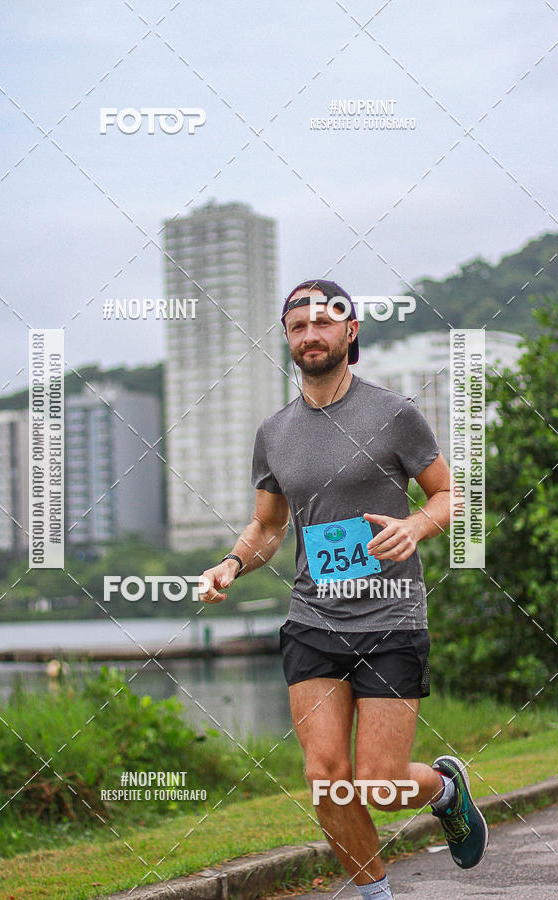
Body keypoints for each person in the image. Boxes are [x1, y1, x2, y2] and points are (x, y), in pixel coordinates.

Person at [199, 279, 487, 898]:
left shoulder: (393, 415)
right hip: (313, 620)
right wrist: (231, 563)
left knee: (380, 783)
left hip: (390, 619)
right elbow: (268, 526)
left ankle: (444, 789)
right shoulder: (274, 432)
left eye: (323, 322)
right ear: (286, 338)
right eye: (297, 326)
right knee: (325, 776)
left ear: (350, 331)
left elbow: (449, 495)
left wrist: (415, 526)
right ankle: (375, 894)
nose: (310, 334)